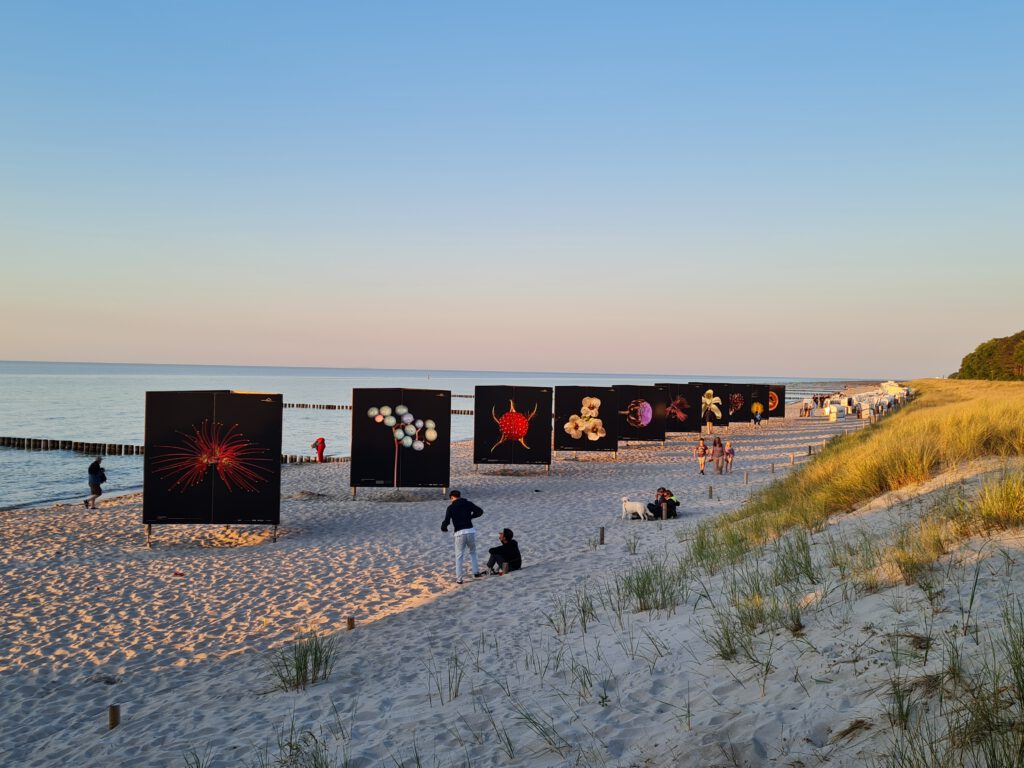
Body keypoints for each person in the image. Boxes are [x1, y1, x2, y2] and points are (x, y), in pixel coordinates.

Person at [441, 490, 484, 584]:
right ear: (459, 496)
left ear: (451, 497)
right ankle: (476, 572)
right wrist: (471, 517)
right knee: (473, 552)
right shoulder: (468, 503)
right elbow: (480, 511)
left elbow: (447, 521)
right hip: (470, 531)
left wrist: (444, 527)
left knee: (459, 556)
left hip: (459, 533)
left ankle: (459, 579)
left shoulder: (451, 507)